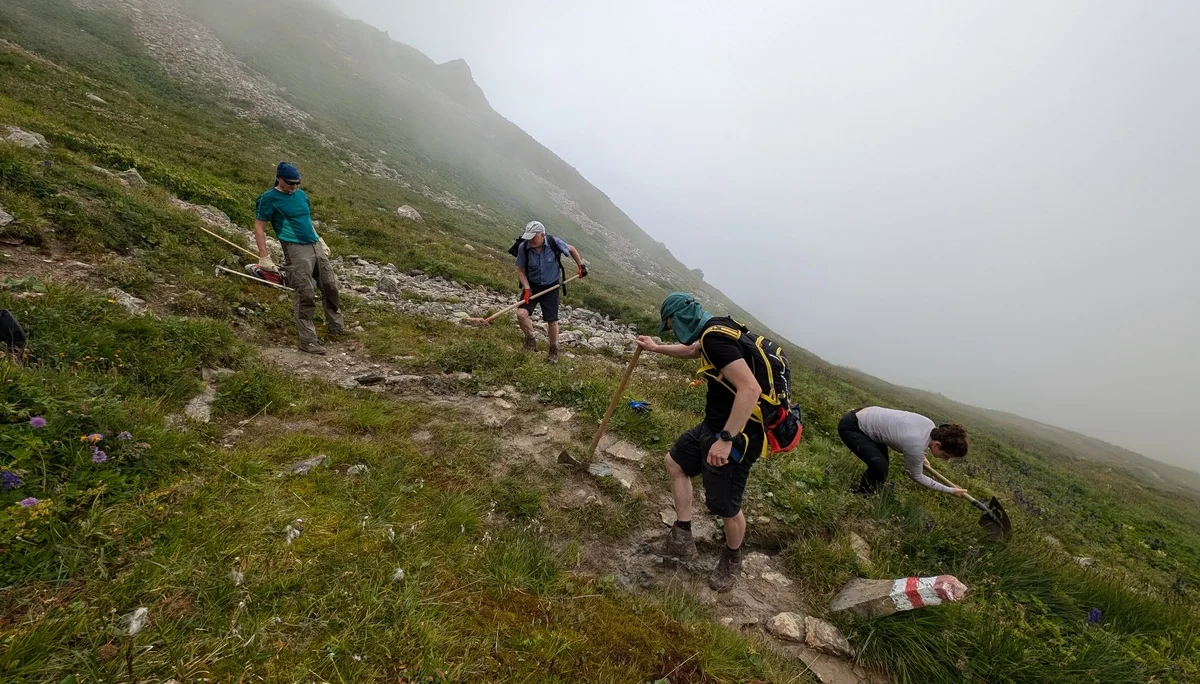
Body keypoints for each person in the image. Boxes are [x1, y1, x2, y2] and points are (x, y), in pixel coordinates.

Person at [637, 293, 767, 592]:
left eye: (670, 325)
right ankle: (682, 537)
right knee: (676, 462)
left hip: (737, 434)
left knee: (725, 506)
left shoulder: (715, 339)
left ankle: (732, 559)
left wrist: (726, 439)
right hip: (714, 425)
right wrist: (656, 348)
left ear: (679, 317)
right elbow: (693, 350)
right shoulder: (714, 330)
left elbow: (750, 389)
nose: (672, 330)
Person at [254, 162, 343, 355]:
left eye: (297, 183)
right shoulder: (269, 198)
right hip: (294, 248)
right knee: (305, 292)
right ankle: (308, 340)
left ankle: (336, 327)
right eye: (290, 183)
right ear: (279, 179)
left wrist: (319, 239)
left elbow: (306, 220)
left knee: (330, 285)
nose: (294, 186)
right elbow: (259, 227)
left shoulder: (301, 195)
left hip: (314, 245)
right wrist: (264, 256)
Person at [838, 406, 970, 497]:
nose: (946, 459)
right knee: (879, 468)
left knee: (882, 468)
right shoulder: (916, 446)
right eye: (946, 455)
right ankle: (861, 496)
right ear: (937, 444)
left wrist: (921, 457)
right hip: (853, 427)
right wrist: (951, 490)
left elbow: (910, 436)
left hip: (865, 413)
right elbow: (916, 476)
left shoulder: (929, 425)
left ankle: (870, 492)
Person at [514, 221, 586, 364]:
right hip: (532, 286)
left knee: (552, 321)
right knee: (521, 314)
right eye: (529, 237)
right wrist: (527, 289)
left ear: (542, 235)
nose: (530, 241)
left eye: (534, 237)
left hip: (551, 287)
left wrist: (581, 266)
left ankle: (553, 351)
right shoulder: (524, 247)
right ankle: (530, 340)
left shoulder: (554, 242)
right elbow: (520, 270)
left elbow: (571, 249)